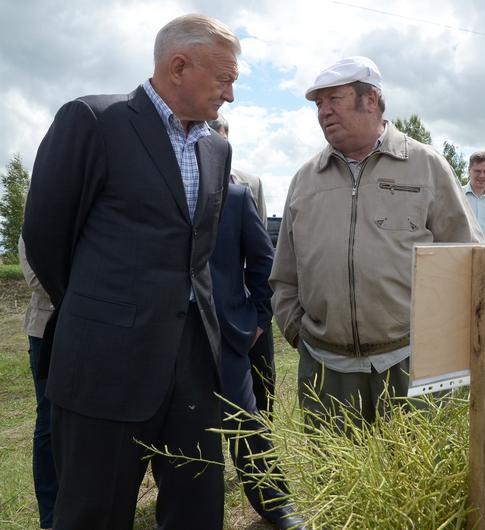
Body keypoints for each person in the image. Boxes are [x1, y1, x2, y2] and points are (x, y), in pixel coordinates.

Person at [22, 14, 239, 529]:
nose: (230, 94)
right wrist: (104, 312)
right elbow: (47, 237)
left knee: (197, 508)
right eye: (225, 78)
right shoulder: (94, 121)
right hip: (105, 362)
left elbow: (198, 249)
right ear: (178, 66)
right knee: (95, 509)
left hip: (192, 364)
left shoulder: (217, 147)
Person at [270, 56, 483, 429]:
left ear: (371, 100)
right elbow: (284, 275)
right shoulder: (305, 180)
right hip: (326, 371)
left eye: (333, 99)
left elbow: (468, 255)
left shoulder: (426, 166)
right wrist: (298, 333)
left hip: (409, 364)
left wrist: (441, 342)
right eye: (318, 104)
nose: (323, 112)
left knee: (414, 482)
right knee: (335, 482)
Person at [209, 184, 305, 529]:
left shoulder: (234, 198)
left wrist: (258, 319)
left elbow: (266, 262)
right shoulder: (146, 189)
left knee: (246, 424)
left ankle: (275, 503)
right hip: (161, 337)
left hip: (227, 337)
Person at [208, 114, 276, 417]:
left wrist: (259, 319)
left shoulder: (246, 186)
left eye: (224, 140)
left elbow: (260, 250)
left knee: (254, 411)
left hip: (242, 313)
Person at [18, 236, 57, 530]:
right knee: (48, 419)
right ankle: (51, 517)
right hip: (45, 332)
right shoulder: (34, 222)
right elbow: (35, 279)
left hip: (94, 329)